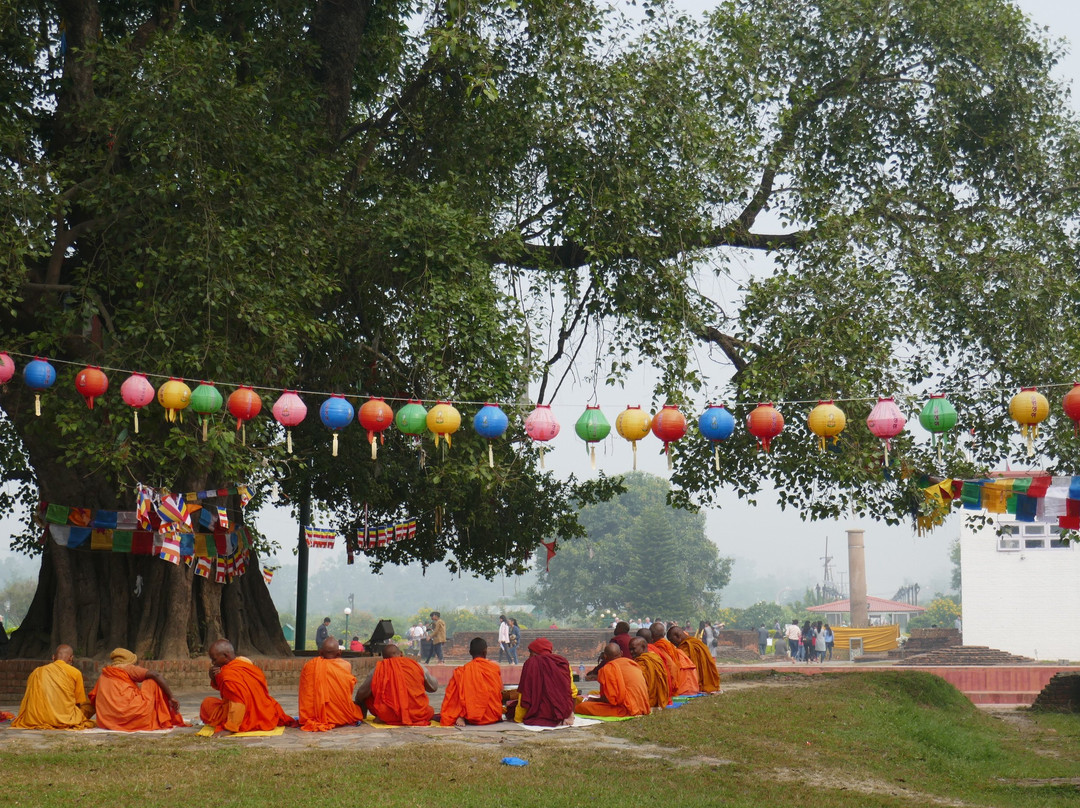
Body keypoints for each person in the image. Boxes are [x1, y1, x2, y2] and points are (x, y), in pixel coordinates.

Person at [200, 638, 297, 733]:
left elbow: (238, 703)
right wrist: (214, 677)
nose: (213, 663)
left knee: (207, 704)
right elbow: (229, 691)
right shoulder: (245, 663)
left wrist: (230, 728)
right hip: (266, 714)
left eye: (214, 659)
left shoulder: (228, 674)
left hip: (245, 719)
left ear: (225, 655)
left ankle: (236, 724)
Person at [89, 647, 186, 731]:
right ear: (130, 661)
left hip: (108, 720)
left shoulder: (104, 674)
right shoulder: (127, 668)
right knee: (152, 682)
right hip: (131, 716)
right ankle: (161, 716)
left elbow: (94, 698)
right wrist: (171, 697)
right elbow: (156, 674)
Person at [11, 644, 95, 730]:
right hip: (65, 719)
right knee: (93, 700)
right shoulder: (75, 673)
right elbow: (77, 702)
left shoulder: (37, 672)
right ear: (71, 658)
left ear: (53, 657)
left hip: (36, 719)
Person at [354, 644, 437, 726]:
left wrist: (358, 701)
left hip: (388, 714)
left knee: (367, 695)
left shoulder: (379, 668)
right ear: (401, 653)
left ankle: (369, 717)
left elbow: (361, 693)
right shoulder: (417, 666)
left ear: (384, 658)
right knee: (430, 710)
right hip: (417, 714)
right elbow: (433, 688)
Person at [298, 636, 366, 731]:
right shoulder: (346, 665)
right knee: (358, 709)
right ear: (339, 653)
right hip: (341, 715)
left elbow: (306, 695)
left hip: (313, 716)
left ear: (320, 652)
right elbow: (347, 692)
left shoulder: (310, 666)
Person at [439, 637, 504, 727]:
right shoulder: (494, 668)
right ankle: (464, 715)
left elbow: (452, 698)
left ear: (470, 652)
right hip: (493, 715)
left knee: (459, 694)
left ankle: (462, 715)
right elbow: (499, 691)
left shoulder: (462, 672)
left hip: (471, 717)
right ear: (485, 652)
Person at [574, 643, 650, 717]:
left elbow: (610, 700)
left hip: (626, 709)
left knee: (582, 706)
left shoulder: (608, 668)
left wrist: (594, 700)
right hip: (642, 705)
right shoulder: (632, 663)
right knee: (593, 692)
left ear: (605, 656)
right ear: (621, 653)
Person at [513, 637, 575, 726]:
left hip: (537, 714)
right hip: (562, 713)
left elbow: (524, 693)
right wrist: (569, 712)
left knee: (511, 708)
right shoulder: (562, 662)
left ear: (536, 652)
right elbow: (572, 691)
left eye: (530, 653)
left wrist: (518, 718)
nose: (529, 656)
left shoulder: (531, 663)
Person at [669, 625, 720, 693]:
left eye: (673, 642)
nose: (674, 645)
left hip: (694, 684)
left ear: (678, 637)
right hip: (709, 684)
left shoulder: (685, 648)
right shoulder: (699, 643)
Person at [650, 623, 699, 695]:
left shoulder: (660, 647)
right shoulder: (669, 646)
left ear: (652, 636)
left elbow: (672, 666)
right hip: (691, 684)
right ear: (663, 634)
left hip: (679, 685)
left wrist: (672, 687)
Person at [628, 636, 671, 710]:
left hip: (646, 700)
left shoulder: (646, 662)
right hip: (659, 700)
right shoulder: (654, 657)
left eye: (633, 649)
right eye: (630, 649)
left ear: (643, 647)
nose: (631, 652)